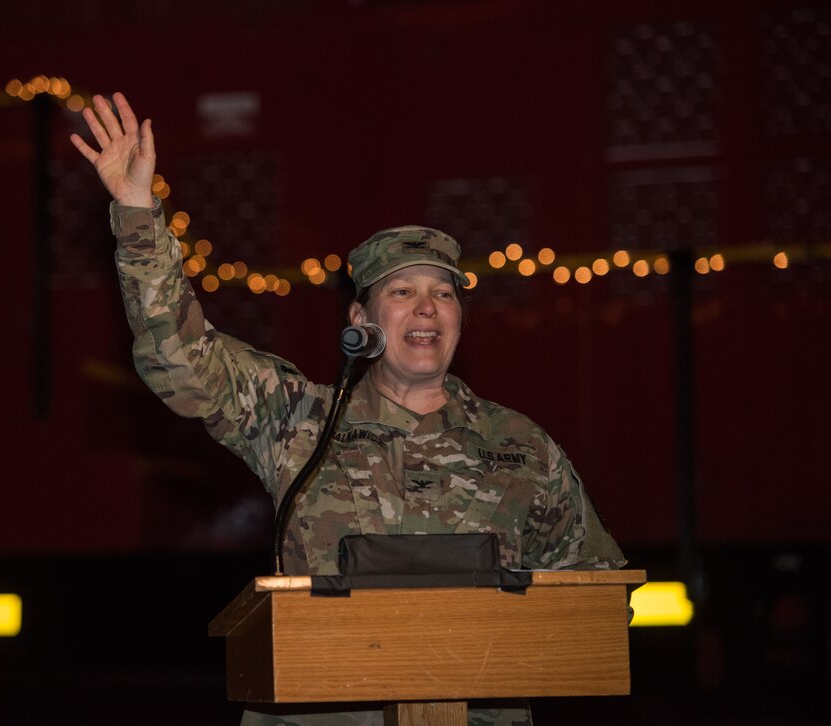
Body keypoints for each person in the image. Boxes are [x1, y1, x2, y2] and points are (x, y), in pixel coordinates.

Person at [71, 92, 627, 726]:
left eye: (443, 293)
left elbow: (596, 597)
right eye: (403, 291)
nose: (427, 307)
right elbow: (180, 357)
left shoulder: (523, 448)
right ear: (360, 320)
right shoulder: (298, 419)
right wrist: (137, 210)